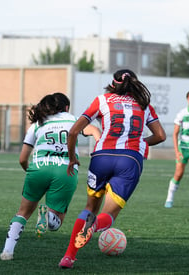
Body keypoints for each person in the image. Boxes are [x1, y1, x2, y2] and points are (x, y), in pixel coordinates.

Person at [58, 69, 166, 269]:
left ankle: (69, 257)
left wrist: (72, 158)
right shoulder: (144, 105)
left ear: (113, 83)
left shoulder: (102, 100)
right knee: (107, 217)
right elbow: (160, 136)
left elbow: (73, 132)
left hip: (101, 158)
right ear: (135, 84)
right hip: (129, 160)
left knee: (90, 208)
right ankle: (93, 228)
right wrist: (141, 143)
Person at [0, 92, 101, 261]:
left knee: (23, 212)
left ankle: (7, 251)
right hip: (65, 170)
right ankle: (48, 216)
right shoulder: (73, 120)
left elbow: (22, 158)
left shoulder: (37, 125)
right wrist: (99, 148)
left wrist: (31, 171)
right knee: (56, 222)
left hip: (39, 168)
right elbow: (94, 130)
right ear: (66, 107)